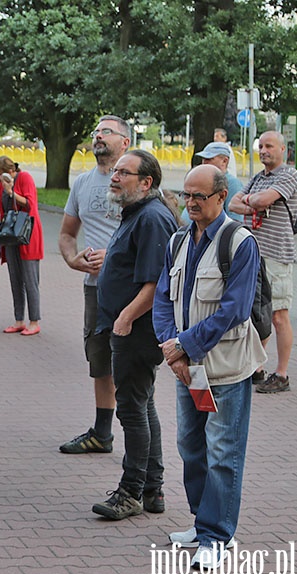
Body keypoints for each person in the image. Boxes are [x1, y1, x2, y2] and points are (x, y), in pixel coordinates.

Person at [153, 164, 266, 570]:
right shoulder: (178, 240)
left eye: (199, 196)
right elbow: (163, 298)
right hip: (190, 369)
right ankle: (203, 525)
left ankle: (218, 536)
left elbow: (234, 311)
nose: (191, 203)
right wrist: (173, 348)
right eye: (186, 195)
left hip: (226, 369)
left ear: (221, 196)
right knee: (191, 445)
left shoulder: (240, 242)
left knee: (223, 451)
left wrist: (183, 345)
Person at [91, 150, 178, 520]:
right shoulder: (138, 213)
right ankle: (152, 489)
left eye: (124, 173)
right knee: (142, 404)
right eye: (115, 171)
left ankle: (131, 491)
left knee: (131, 409)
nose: (114, 176)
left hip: (138, 330)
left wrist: (125, 317)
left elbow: (155, 281)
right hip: (131, 327)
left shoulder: (153, 218)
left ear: (146, 182)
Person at [57, 115, 131, 455]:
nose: (98, 136)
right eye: (96, 132)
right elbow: (67, 234)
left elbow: (156, 234)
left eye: (107, 132)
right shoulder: (83, 183)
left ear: (125, 142)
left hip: (131, 288)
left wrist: (114, 256)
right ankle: (102, 433)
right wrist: (72, 259)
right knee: (99, 359)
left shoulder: (138, 182)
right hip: (95, 288)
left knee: (131, 361)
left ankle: (138, 437)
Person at [229, 130, 297, 393]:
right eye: (261, 146)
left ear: (284, 150)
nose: (263, 151)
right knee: (255, 313)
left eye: (269, 146)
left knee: (278, 315)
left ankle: (281, 374)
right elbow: (233, 205)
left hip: (277, 253)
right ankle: (256, 368)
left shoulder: (289, 175)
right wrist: (253, 203)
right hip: (254, 254)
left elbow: (263, 200)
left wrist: (252, 202)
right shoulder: (258, 178)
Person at [0, 157, 43, 335]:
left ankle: (34, 321)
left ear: (9, 171)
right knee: (15, 279)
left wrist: (11, 191)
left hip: (27, 234)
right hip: (10, 236)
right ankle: (19, 319)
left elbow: (30, 204)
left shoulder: (24, 177)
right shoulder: (0, 184)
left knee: (30, 279)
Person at [181, 142, 243, 225]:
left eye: (209, 159)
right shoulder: (199, 180)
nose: (204, 162)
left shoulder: (232, 184)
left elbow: (235, 218)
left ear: (224, 161)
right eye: (203, 159)